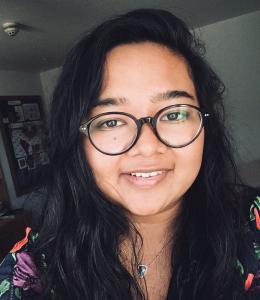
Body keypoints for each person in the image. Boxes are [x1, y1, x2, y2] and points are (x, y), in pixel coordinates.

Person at [0, 8, 259, 300]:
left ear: (204, 126)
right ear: (77, 141)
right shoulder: (29, 270)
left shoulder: (253, 228)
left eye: (174, 114)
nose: (147, 146)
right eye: (111, 121)